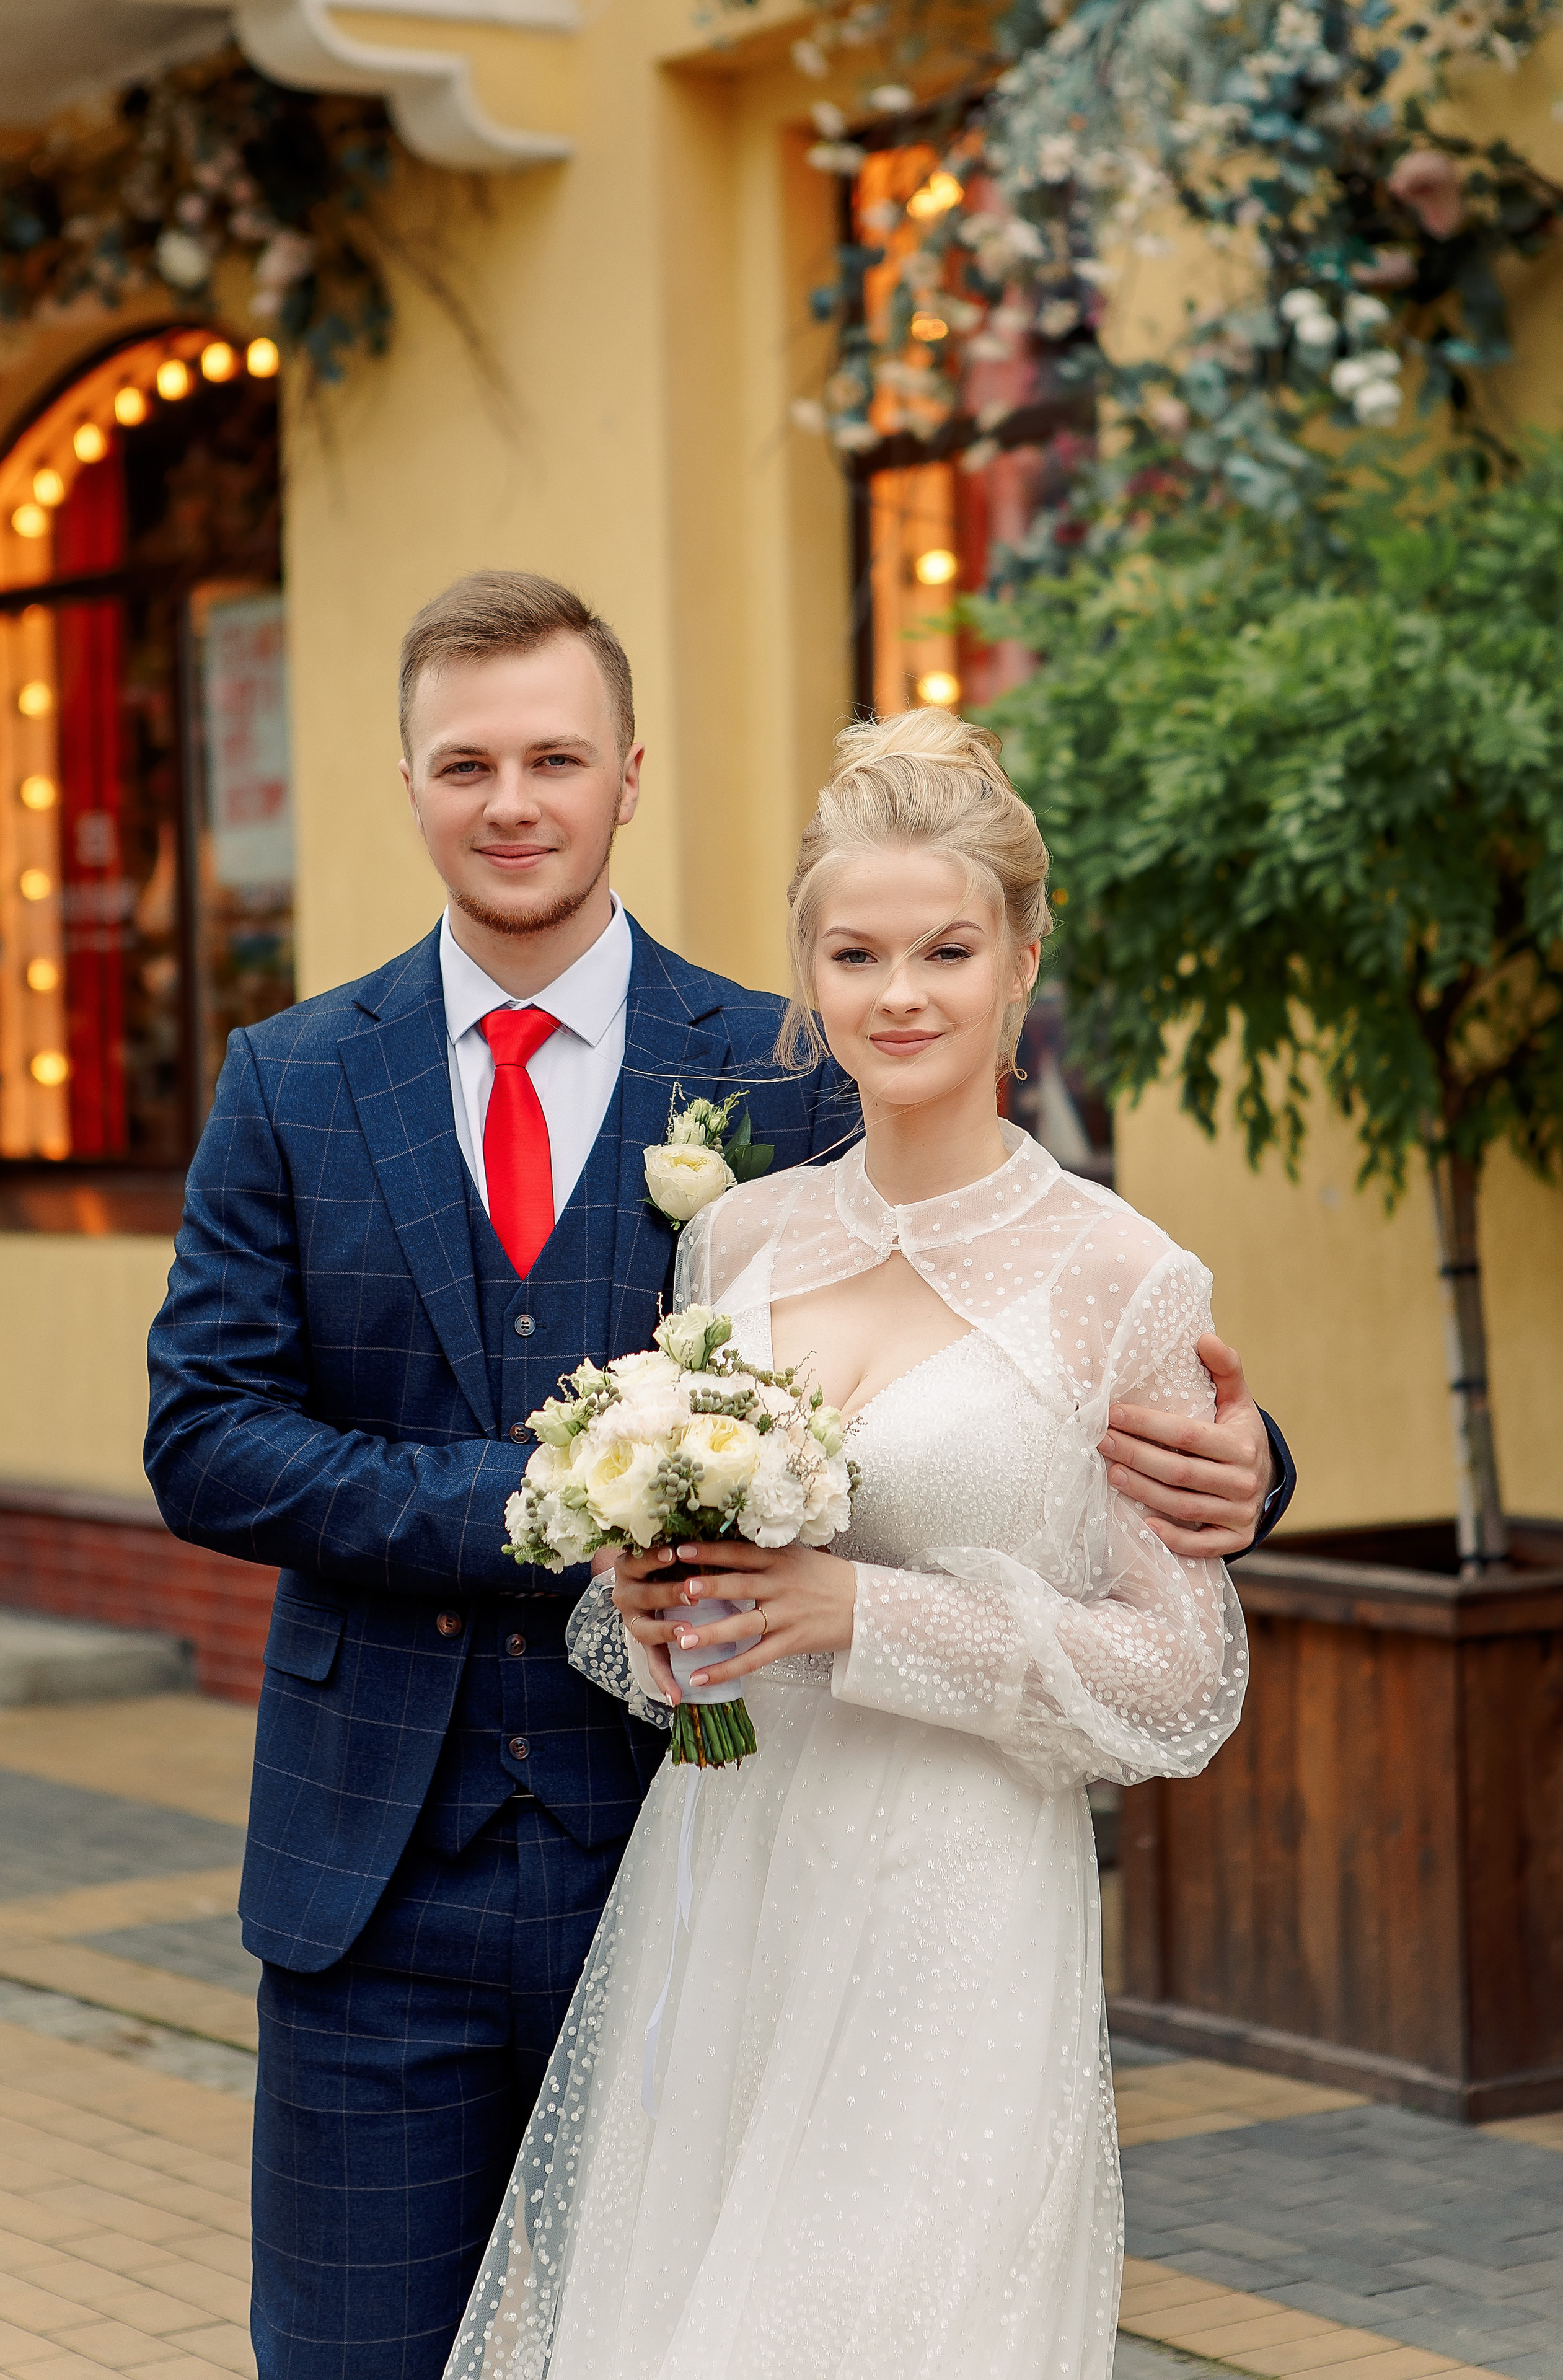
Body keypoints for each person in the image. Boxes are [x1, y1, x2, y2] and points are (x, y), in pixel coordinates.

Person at [144, 576, 1292, 2380]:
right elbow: (202, 1434)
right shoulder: (290, 1081)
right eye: (468, 762)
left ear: (628, 776)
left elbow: (1010, 1331)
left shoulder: (791, 1064)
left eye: (554, 756)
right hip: (381, 1877)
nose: (511, 798)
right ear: (411, 781)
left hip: (685, 1863)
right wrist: (559, 1504)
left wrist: (1246, 1466)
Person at [446, 707, 1255, 2380]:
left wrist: (853, 1614)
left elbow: (1181, 1679)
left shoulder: (1125, 1277)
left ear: (1026, 959)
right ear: (809, 973)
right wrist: (665, 1613)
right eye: (858, 951)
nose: (903, 995)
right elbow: (664, 1635)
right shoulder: (739, 1236)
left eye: (949, 949)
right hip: (726, 1878)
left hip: (953, 1909)